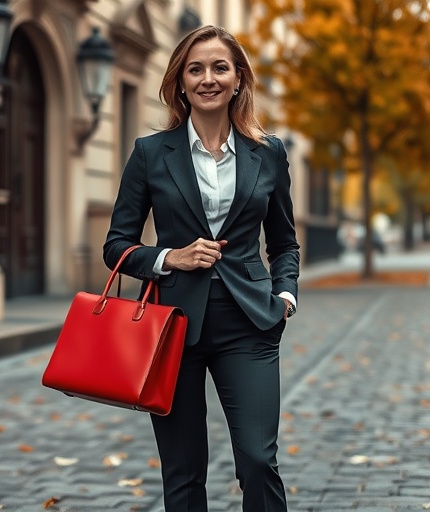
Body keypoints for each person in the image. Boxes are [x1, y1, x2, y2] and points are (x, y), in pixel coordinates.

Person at [103, 25, 299, 511]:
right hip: (171, 326)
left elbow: (284, 241)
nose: (207, 78)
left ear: (238, 80)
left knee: (257, 460)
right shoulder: (150, 153)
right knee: (184, 472)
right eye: (195, 69)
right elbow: (116, 247)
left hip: (249, 322)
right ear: (180, 82)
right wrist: (171, 257)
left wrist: (286, 296)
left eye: (219, 67)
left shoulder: (268, 152)